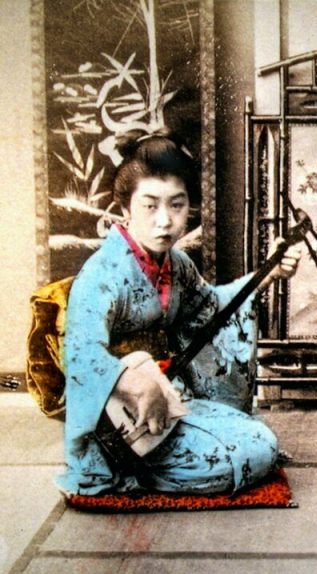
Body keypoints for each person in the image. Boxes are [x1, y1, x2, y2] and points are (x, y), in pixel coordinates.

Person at [58, 129, 301, 496]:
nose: (165, 220)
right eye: (150, 205)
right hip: (118, 423)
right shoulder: (102, 274)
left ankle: (159, 463)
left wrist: (269, 272)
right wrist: (137, 383)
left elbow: (212, 308)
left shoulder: (178, 264)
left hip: (167, 398)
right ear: (125, 209)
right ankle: (125, 472)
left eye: (177, 205)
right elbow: (80, 354)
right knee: (256, 451)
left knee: (257, 434)